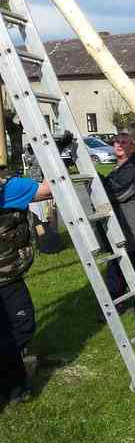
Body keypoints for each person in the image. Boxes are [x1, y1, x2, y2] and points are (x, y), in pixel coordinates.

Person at [0, 171, 52, 403]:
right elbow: (49, 189)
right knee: (21, 327)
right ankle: (13, 384)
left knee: (7, 330)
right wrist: (55, 161)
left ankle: (15, 387)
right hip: (5, 277)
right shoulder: (9, 187)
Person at [101, 133, 135, 302]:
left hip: (132, 223)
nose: (119, 145)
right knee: (131, 260)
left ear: (131, 146)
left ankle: (119, 298)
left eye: (124, 142)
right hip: (124, 221)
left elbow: (118, 192)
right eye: (116, 142)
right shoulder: (122, 166)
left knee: (124, 260)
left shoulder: (133, 167)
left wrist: (97, 181)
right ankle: (134, 295)